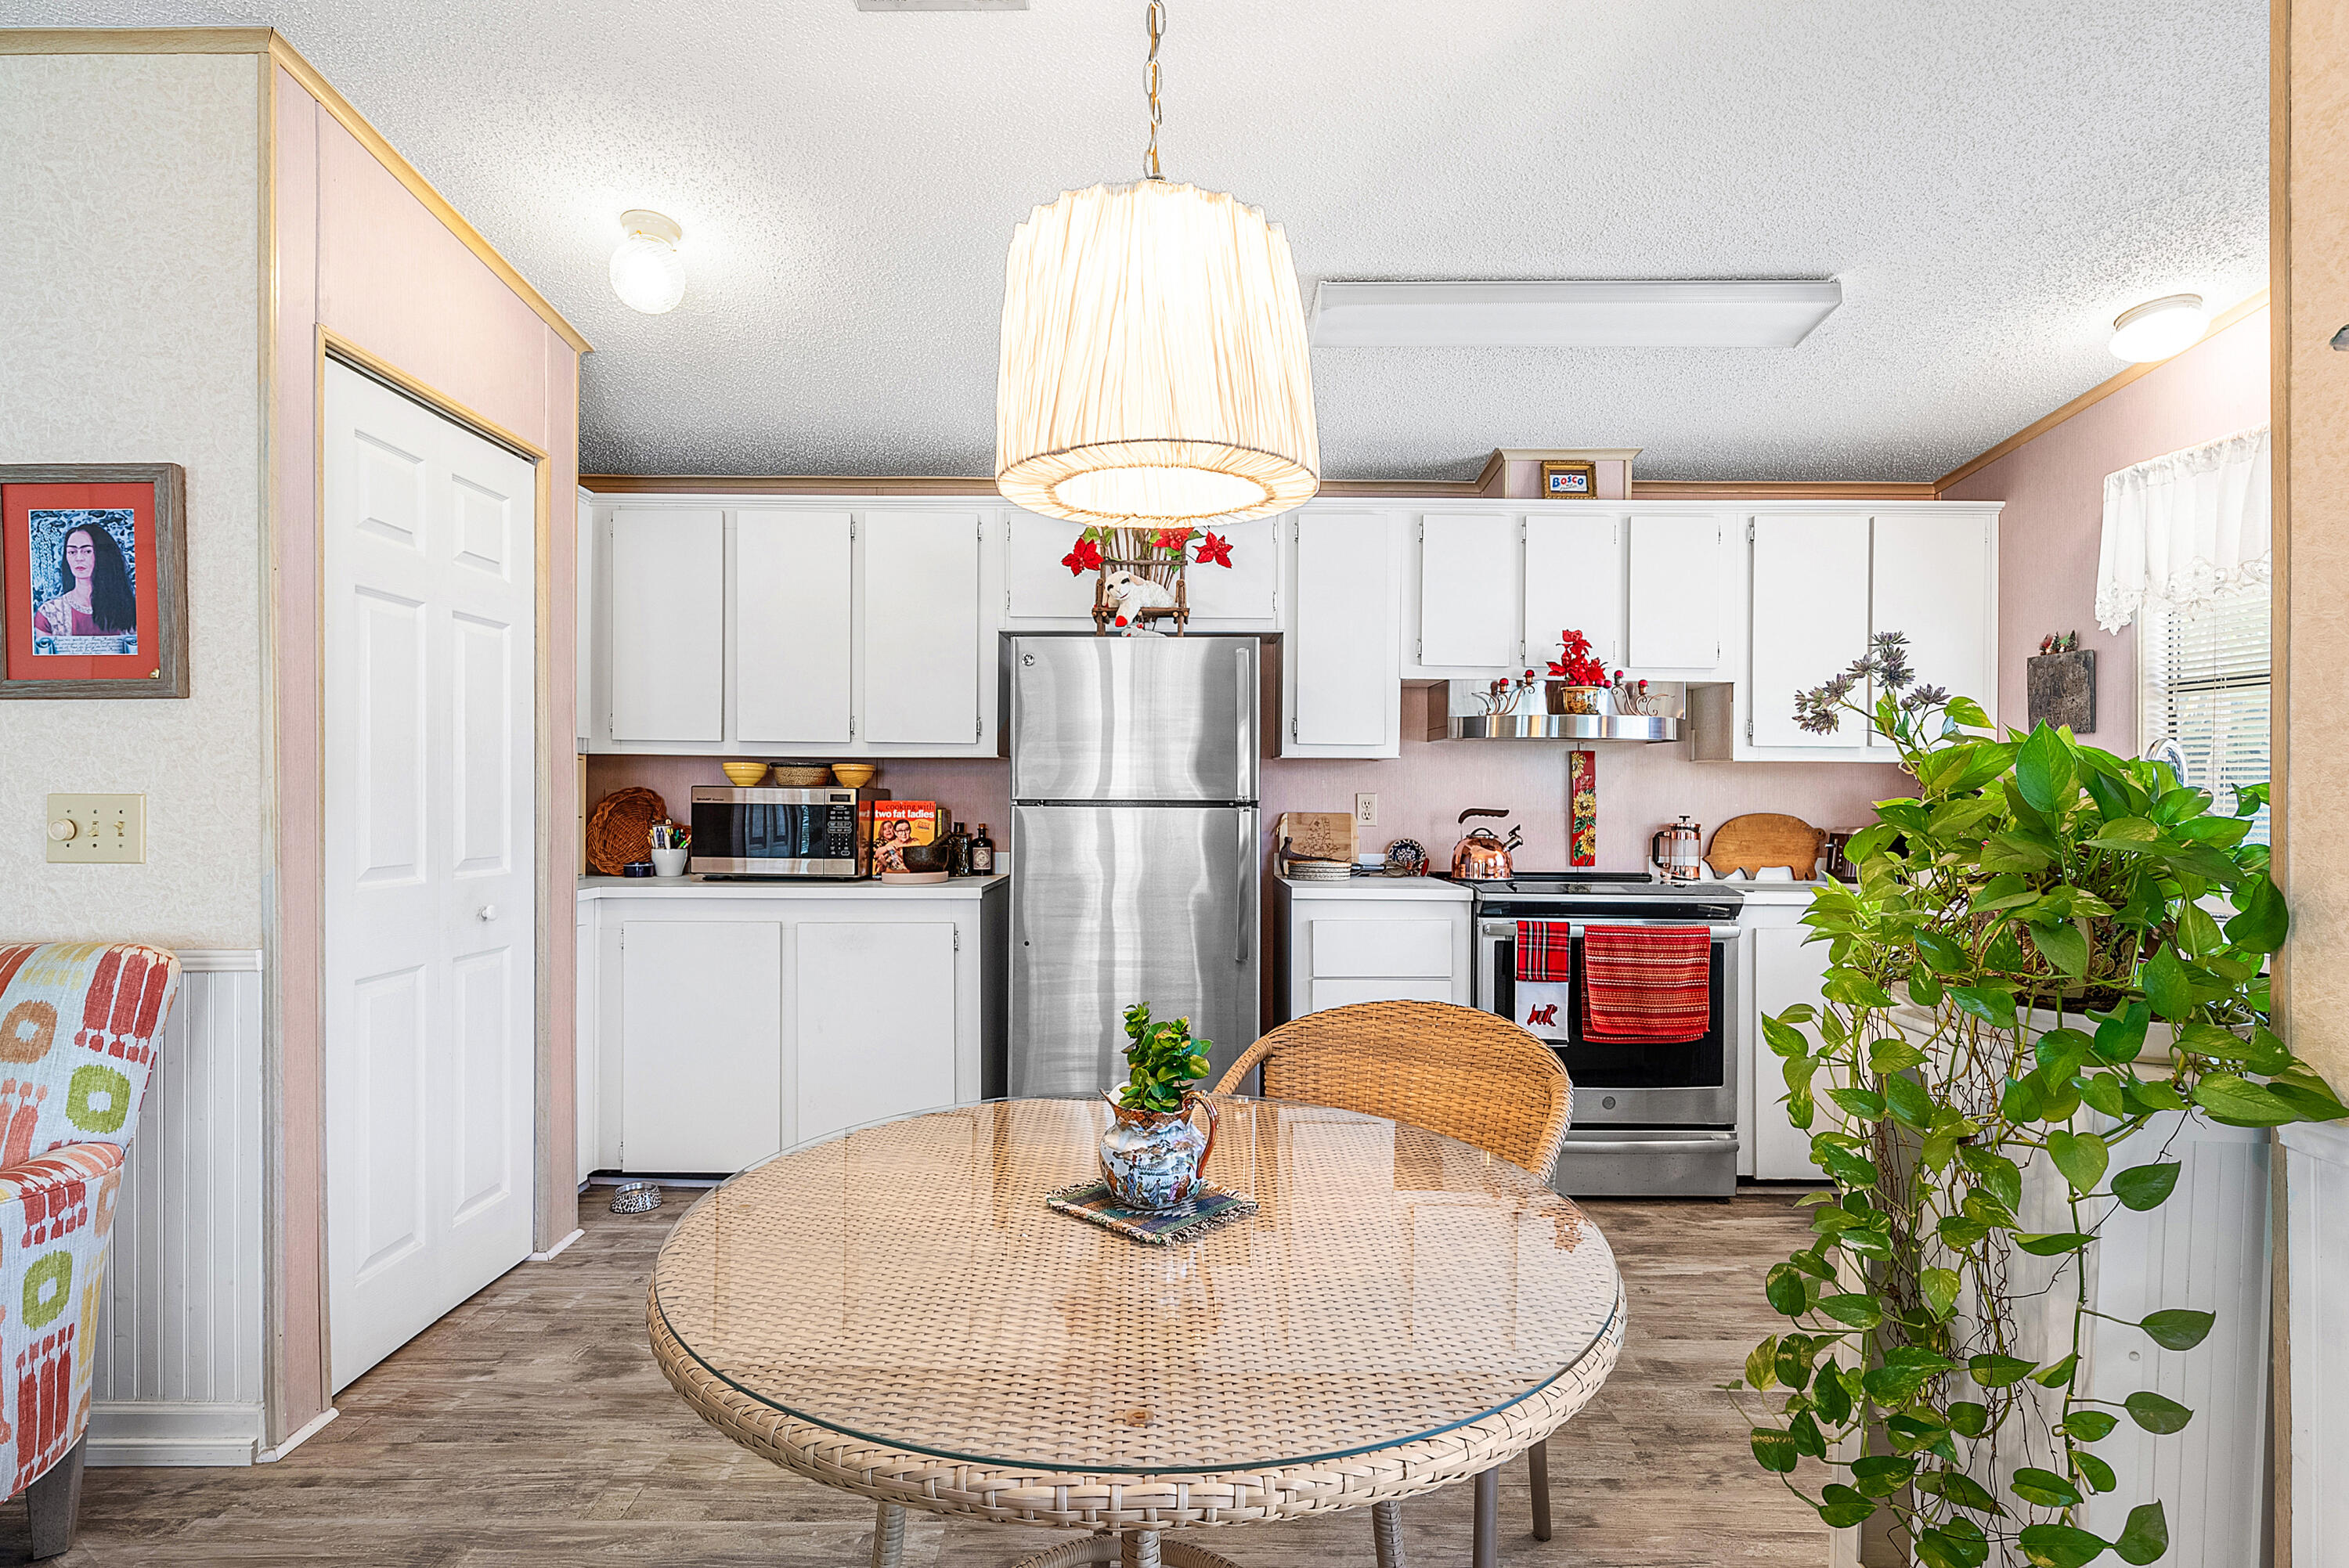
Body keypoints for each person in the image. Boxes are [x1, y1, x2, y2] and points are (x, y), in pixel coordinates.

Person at [33, 524, 136, 648]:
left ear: (103, 555)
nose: (79, 558)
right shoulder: (50, 613)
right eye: (72, 552)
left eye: (87, 551)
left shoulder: (128, 609)